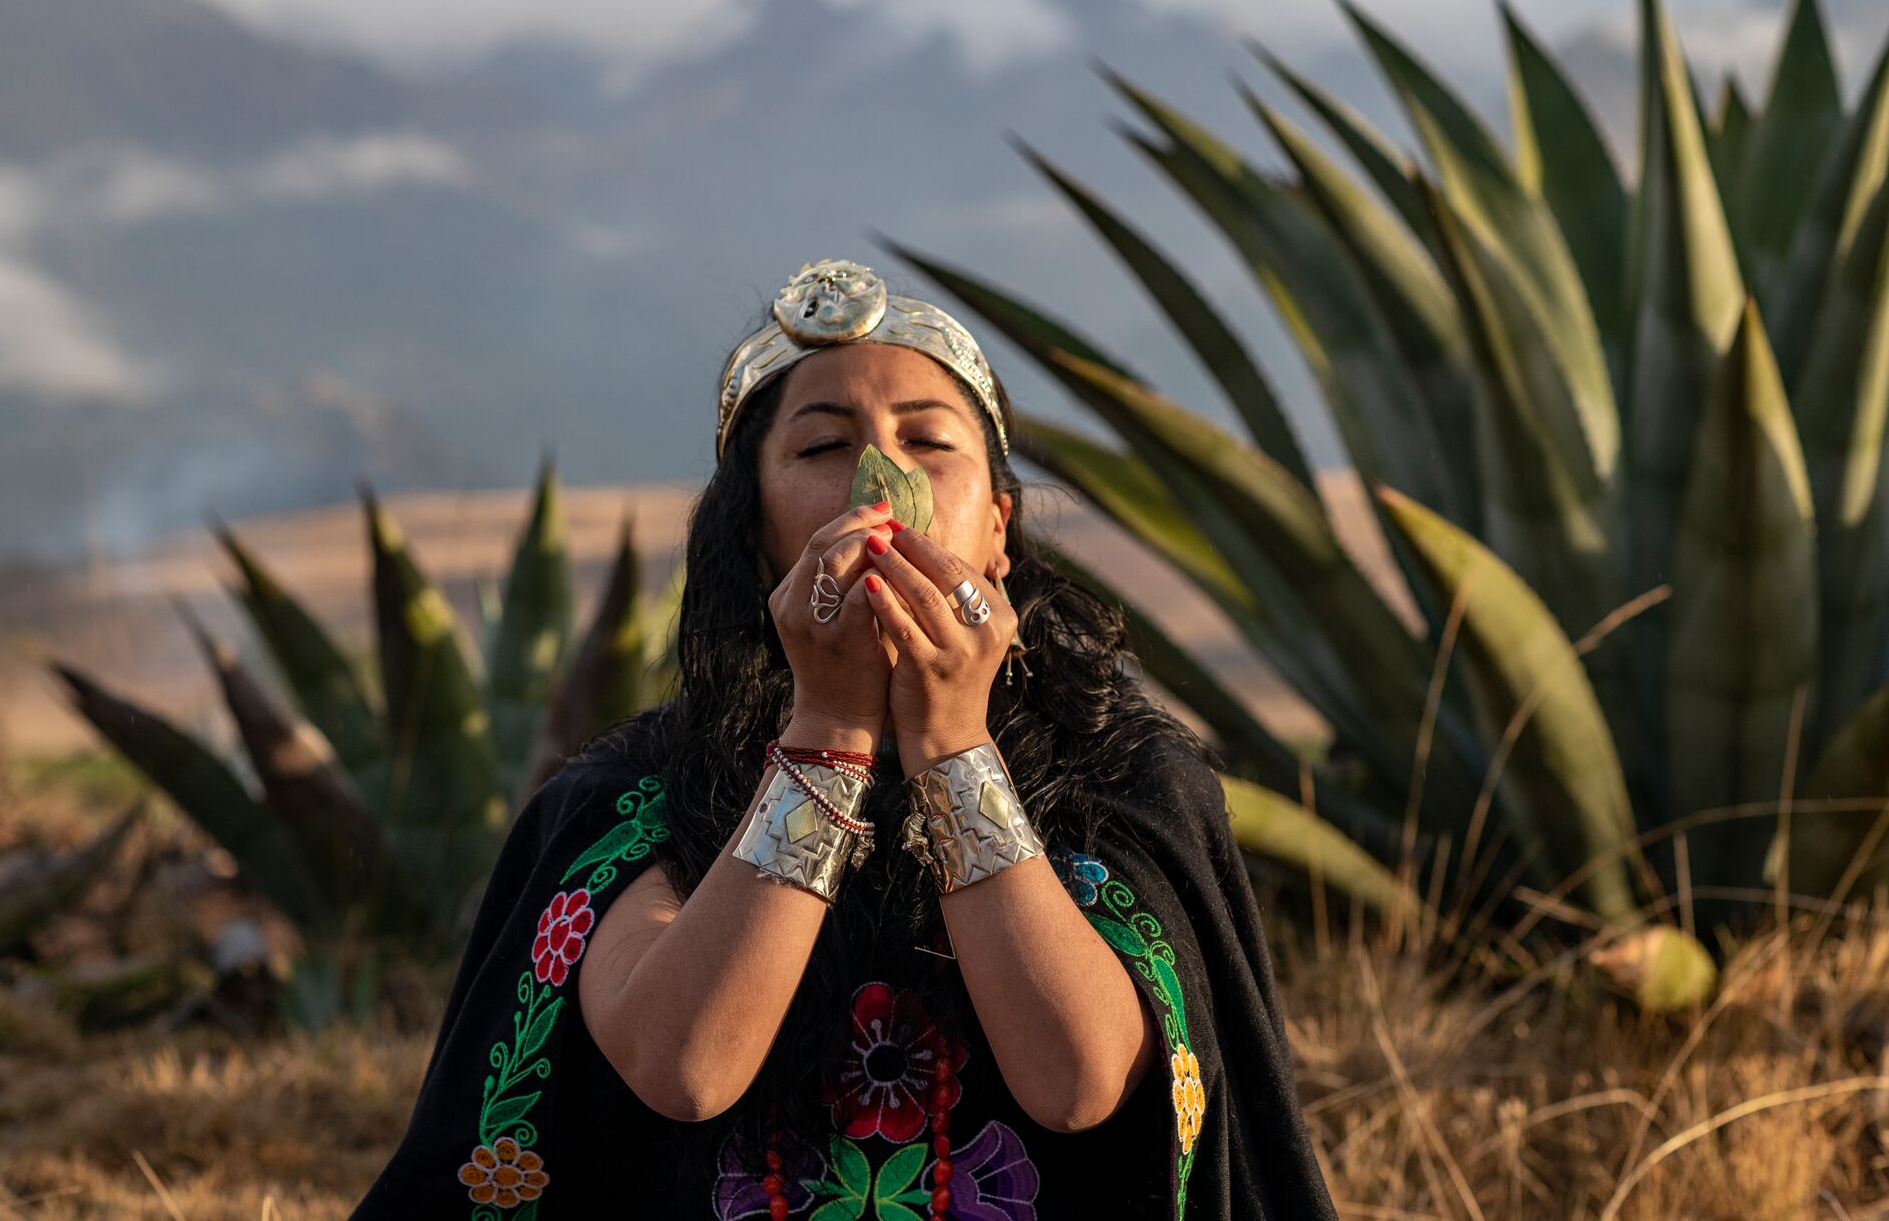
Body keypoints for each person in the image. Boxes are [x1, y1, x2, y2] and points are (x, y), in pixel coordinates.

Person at [352, 258, 1339, 1219]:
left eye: (929, 444)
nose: (879, 477)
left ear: (998, 526)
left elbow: (1077, 1077)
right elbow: (684, 1066)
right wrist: (830, 730)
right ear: (756, 535)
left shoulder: (1122, 780)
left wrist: (953, 743)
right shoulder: (636, 796)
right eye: (823, 449)